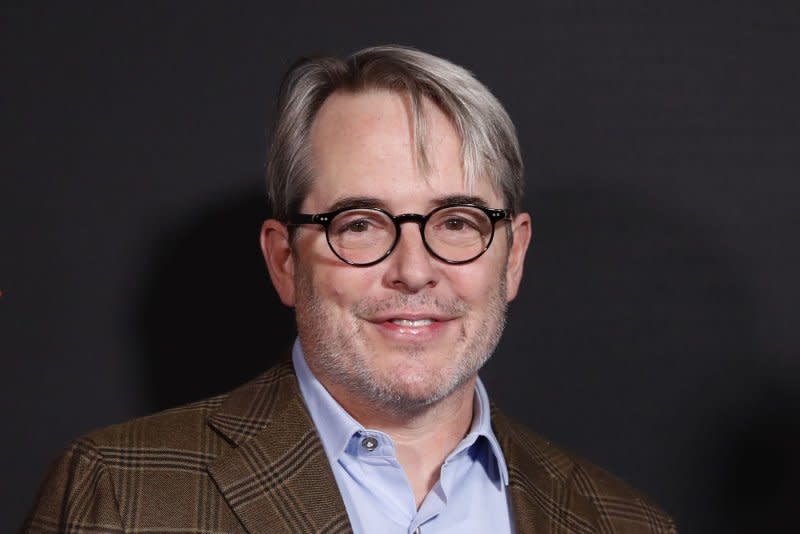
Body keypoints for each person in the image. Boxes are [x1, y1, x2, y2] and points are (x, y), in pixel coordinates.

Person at [24, 45, 676, 534]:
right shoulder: (118, 493)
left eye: (457, 222)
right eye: (360, 224)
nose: (414, 270)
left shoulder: (624, 523)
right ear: (284, 261)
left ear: (512, 258)